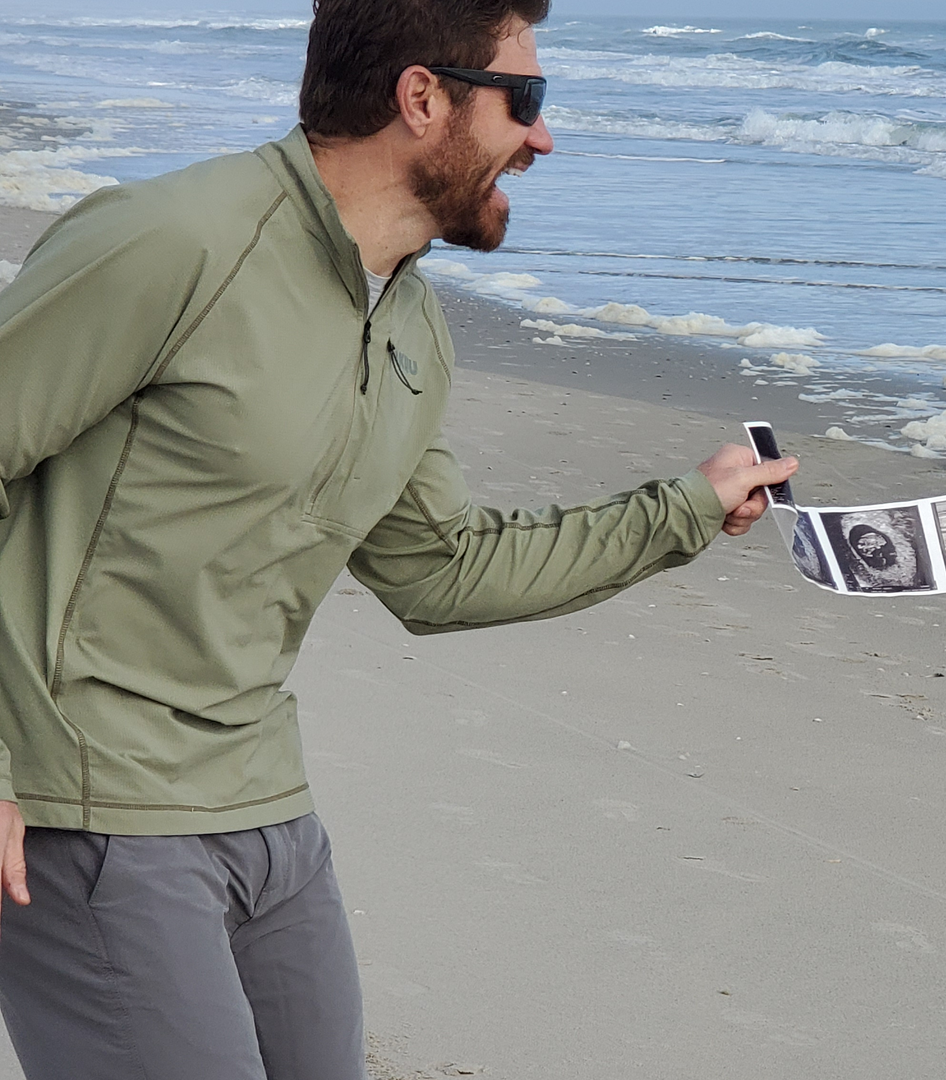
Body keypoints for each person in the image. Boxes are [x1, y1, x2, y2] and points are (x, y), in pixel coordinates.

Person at [0, 2, 797, 1077]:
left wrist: (685, 509)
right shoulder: (172, 240)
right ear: (423, 98)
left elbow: (442, 570)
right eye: (528, 99)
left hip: (268, 808)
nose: (545, 136)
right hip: (85, 809)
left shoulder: (410, 324)